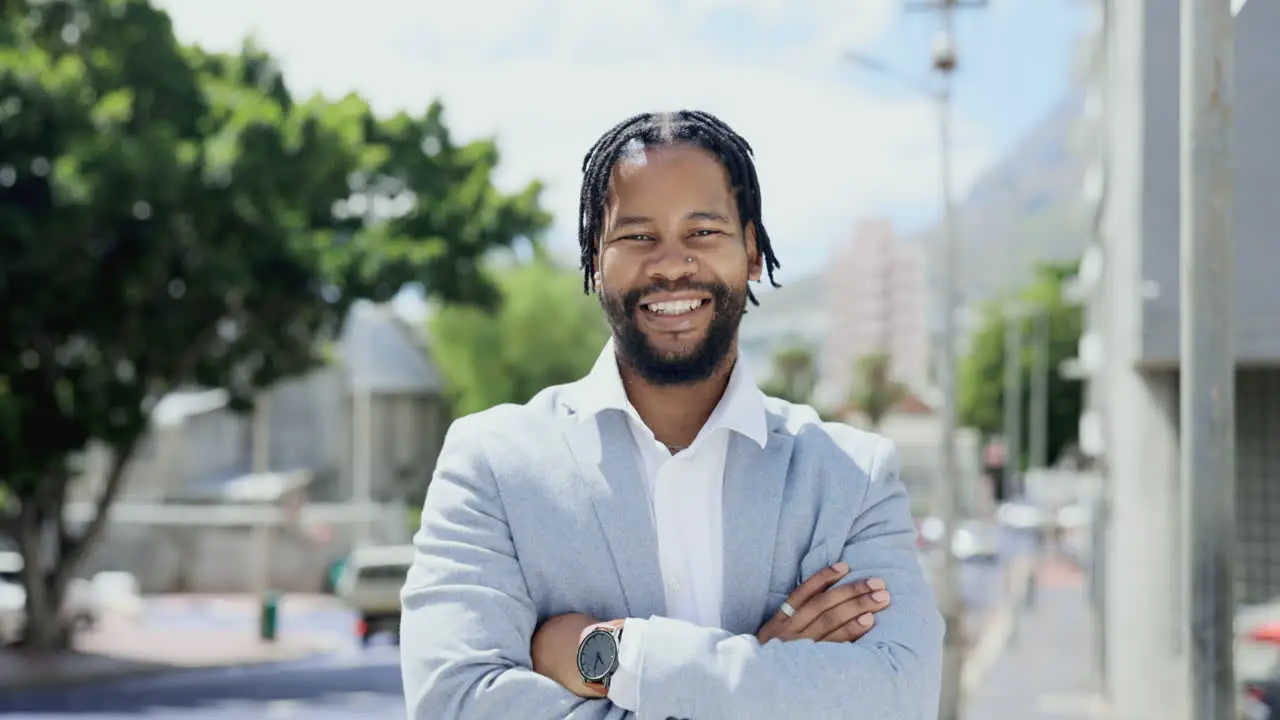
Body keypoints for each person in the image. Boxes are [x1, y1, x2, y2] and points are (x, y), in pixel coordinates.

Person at [400, 110, 944, 719]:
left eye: (703, 231)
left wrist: (612, 655)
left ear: (753, 250)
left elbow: (898, 695)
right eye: (636, 236)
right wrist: (765, 665)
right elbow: (454, 704)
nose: (669, 264)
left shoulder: (852, 478)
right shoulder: (492, 465)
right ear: (594, 262)